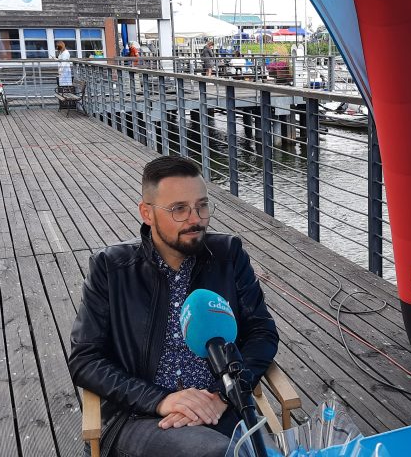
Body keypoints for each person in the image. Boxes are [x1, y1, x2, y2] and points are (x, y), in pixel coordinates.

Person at [68, 155, 279, 457]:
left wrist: (221, 396)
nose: (196, 219)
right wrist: (161, 400)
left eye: (202, 205)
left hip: (221, 407)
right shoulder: (111, 268)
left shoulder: (229, 256)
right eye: (179, 209)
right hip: (142, 414)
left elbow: (261, 332)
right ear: (147, 213)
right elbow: (85, 359)